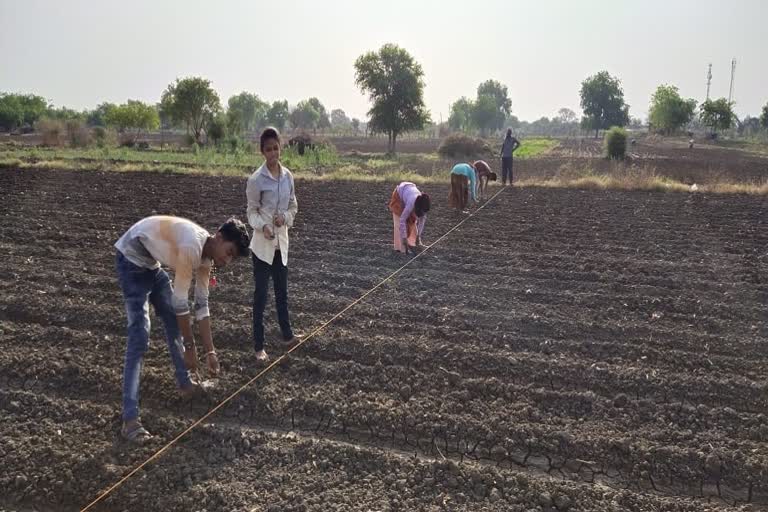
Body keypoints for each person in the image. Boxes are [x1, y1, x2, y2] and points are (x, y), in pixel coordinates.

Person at [114, 215, 250, 442]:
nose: (227, 261)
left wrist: (210, 352)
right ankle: (130, 421)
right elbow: (181, 303)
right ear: (218, 236)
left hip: (152, 264)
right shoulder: (191, 247)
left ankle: (185, 384)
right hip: (132, 259)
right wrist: (190, 346)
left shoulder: (208, 259)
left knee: (172, 319)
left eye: (232, 258)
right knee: (139, 336)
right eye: (229, 252)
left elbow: (201, 305)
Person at [247, 127, 299, 362]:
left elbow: (293, 206)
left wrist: (284, 219)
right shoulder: (256, 180)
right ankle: (259, 347)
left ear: (280, 148)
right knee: (261, 296)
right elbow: (251, 212)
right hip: (262, 247)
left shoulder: (288, 176)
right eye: (268, 149)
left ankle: (287, 335)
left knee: (282, 292)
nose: (272, 153)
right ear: (262, 152)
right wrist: (264, 226)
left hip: (281, 245)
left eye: (276, 148)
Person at [388, 181, 430, 254]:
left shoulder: (423, 205)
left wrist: (418, 236)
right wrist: (404, 238)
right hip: (399, 194)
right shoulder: (411, 203)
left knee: (412, 220)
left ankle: (415, 242)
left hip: (409, 190)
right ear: (417, 207)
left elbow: (422, 220)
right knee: (399, 220)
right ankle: (402, 247)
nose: (423, 213)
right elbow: (402, 220)